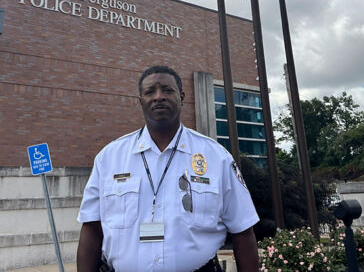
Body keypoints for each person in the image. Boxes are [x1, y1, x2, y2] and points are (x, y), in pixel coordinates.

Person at [77, 65, 260, 271]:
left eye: (167, 90)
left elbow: (243, 232)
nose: (158, 97)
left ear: (181, 97)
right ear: (141, 101)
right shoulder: (109, 158)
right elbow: (92, 229)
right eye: (149, 92)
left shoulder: (217, 157)